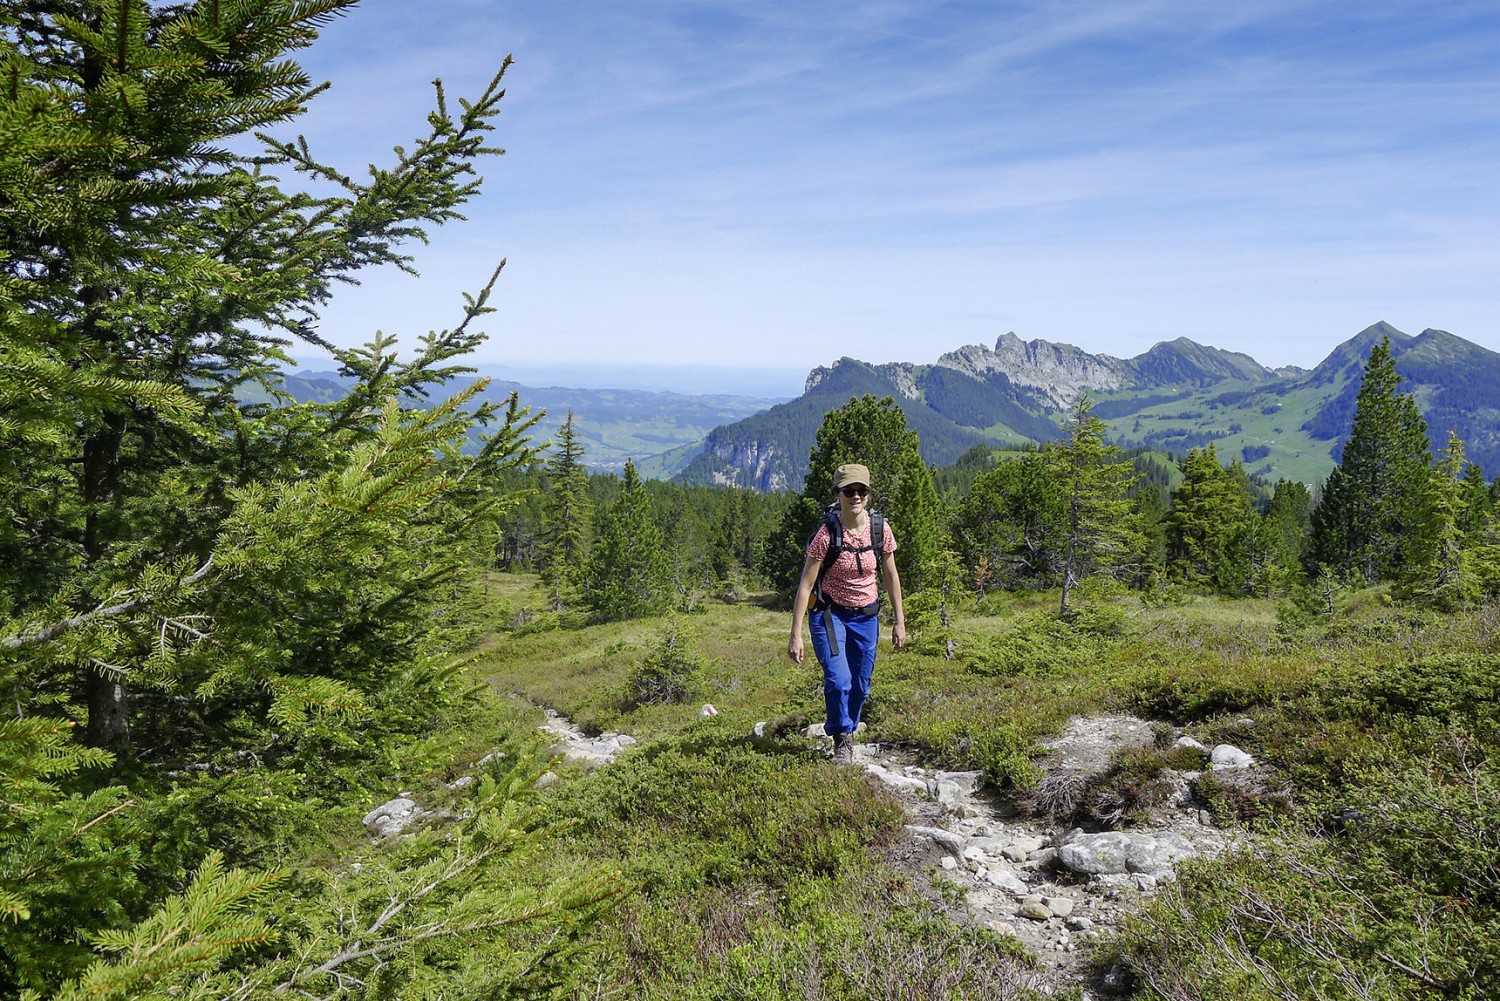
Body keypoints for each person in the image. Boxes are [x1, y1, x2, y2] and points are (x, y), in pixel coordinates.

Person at [787, 463, 906, 764]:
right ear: (838, 494)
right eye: (849, 491)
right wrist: (795, 634)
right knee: (839, 679)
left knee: (861, 684)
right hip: (830, 616)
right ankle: (842, 740)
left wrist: (899, 622)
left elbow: (891, 576)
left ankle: (849, 728)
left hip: (867, 617)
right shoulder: (827, 534)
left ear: (868, 494)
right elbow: (806, 584)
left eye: (861, 490)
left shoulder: (881, 530)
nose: (855, 496)